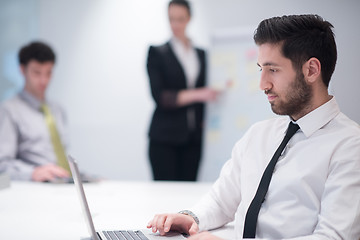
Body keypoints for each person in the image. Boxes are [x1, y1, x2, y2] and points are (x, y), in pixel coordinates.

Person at [147, 14, 360, 239]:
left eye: (273, 70)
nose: (263, 84)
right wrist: (191, 217)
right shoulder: (259, 134)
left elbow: (333, 237)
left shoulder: (349, 146)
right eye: (261, 69)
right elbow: (222, 200)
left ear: (311, 70)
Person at [146, 0, 218, 181]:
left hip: (193, 139)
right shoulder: (157, 53)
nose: (175, 25)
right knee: (165, 196)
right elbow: (161, 97)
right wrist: (200, 94)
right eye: (171, 19)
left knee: (188, 195)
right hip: (164, 139)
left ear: (189, 19)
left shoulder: (201, 54)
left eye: (180, 19)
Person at [0, 41, 70, 182]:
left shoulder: (58, 110)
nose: (44, 80)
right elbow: (2, 164)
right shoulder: (9, 110)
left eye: (48, 73)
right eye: (37, 72)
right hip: (34, 188)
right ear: (22, 70)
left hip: (63, 184)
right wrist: (32, 173)